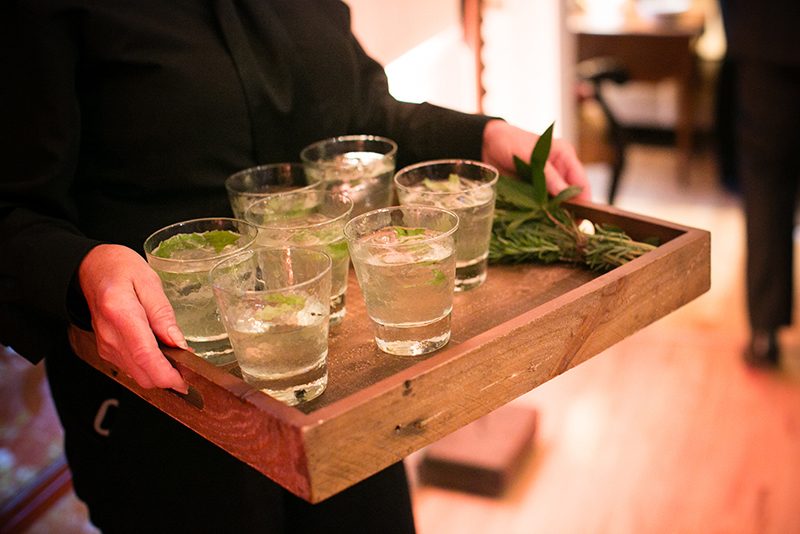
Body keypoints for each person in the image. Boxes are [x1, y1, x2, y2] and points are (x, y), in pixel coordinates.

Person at [0, 1, 590, 532]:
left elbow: (362, 116)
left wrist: (482, 135)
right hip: (165, 406)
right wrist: (82, 265)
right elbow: (12, 209)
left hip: (340, 389)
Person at [720, 1, 800, 367]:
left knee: (766, 183)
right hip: (760, 37)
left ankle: (764, 333)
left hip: (763, 33)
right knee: (765, 178)